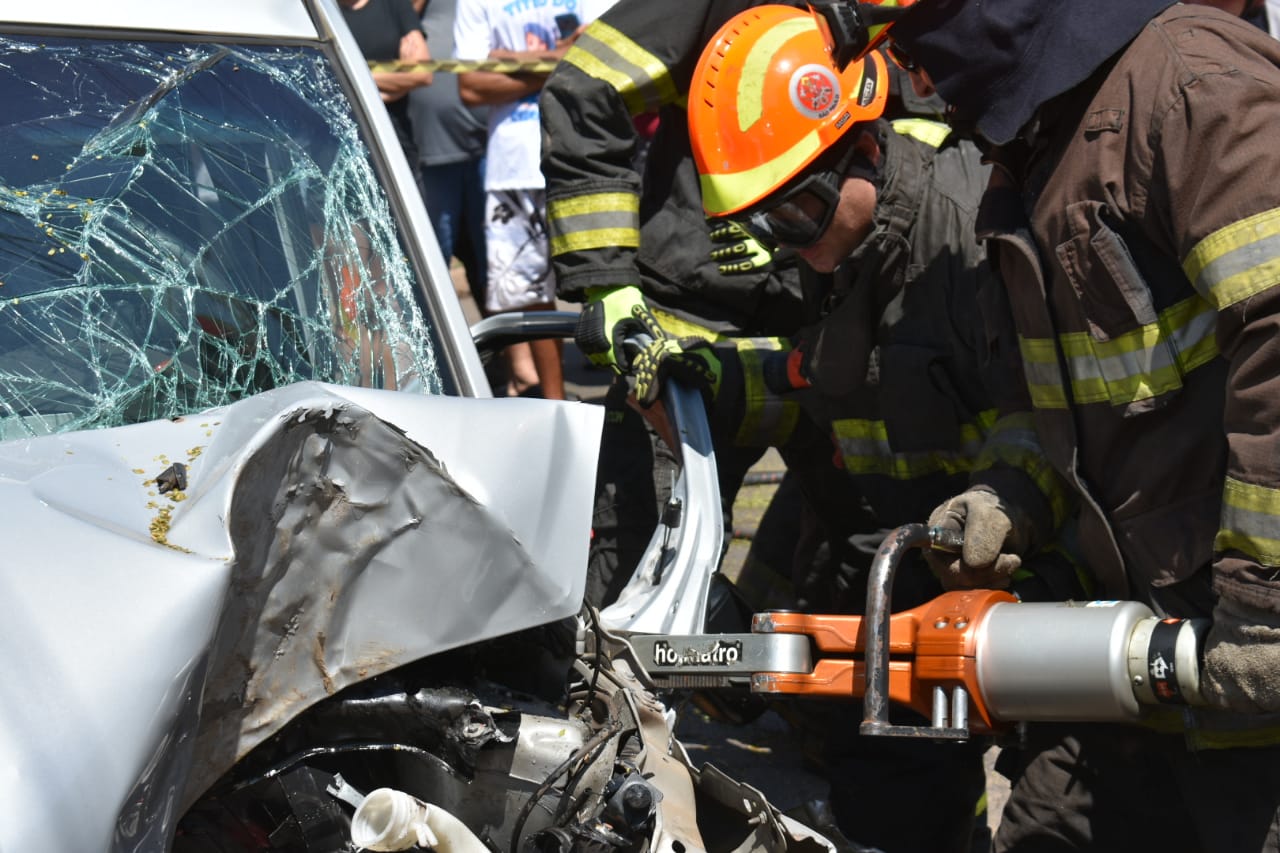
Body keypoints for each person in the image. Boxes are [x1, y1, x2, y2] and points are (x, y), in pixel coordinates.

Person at [659, 6, 1088, 849]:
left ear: (859, 147)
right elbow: (823, 394)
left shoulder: (967, 229)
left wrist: (1002, 498)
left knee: (1057, 826)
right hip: (914, 608)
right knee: (888, 814)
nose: (788, 245)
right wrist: (722, 384)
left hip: (1049, 596)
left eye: (794, 216)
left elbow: (1050, 406)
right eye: (763, 225)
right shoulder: (835, 252)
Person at [871, 1, 1280, 849]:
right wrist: (1011, 490)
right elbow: (1058, 399)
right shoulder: (1032, 155)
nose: (920, 85)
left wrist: (1267, 606)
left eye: (919, 48)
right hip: (1136, 676)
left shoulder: (1189, 91)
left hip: (1250, 686)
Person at [455, 0, 610, 400]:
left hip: (588, 154)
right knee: (530, 295)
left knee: (610, 277)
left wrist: (509, 60)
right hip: (514, 167)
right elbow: (471, 86)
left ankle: (630, 400)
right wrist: (561, 57)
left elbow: (604, 58)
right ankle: (554, 403)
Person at [408, 0, 489, 317]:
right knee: (432, 268)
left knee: (497, 271)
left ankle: (508, 359)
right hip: (429, 156)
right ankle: (443, 358)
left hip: (488, 150)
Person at [339, 0, 433, 182]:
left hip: (397, 144)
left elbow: (422, 74)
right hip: (342, 149)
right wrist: (394, 83)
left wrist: (351, 76)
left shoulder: (393, 4)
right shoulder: (324, 13)